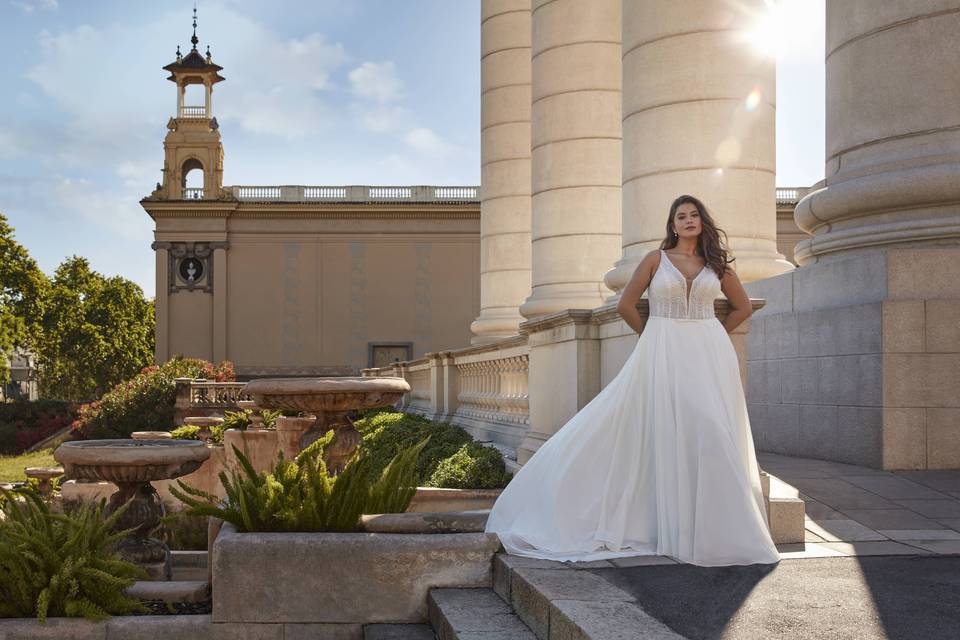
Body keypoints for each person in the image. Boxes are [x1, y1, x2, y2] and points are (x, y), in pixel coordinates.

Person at [483, 194, 781, 567]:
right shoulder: (656, 260)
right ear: (672, 225)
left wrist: (715, 332)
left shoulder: (716, 264)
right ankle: (660, 523)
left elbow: (744, 306)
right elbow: (627, 304)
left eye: (693, 215)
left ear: (702, 222)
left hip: (708, 353)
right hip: (662, 348)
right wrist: (651, 334)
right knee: (663, 427)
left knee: (711, 429)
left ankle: (716, 533)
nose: (688, 221)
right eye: (680, 216)